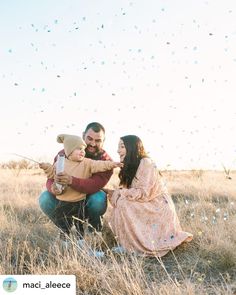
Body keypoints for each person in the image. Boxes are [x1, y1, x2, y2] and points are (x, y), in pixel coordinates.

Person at [106, 135, 193, 257]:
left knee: (123, 203)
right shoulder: (130, 164)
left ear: (132, 147)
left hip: (158, 205)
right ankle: (127, 243)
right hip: (147, 201)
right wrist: (115, 193)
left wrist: (119, 193)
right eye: (118, 147)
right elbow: (130, 191)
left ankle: (133, 246)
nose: (117, 151)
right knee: (121, 202)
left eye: (122, 146)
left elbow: (144, 193)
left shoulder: (146, 162)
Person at [39, 122, 114, 241]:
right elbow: (51, 178)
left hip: (88, 200)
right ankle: (65, 228)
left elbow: (94, 185)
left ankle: (93, 229)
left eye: (98, 140)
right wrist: (52, 187)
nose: (93, 143)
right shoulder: (64, 153)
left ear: (104, 140)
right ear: (83, 135)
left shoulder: (105, 161)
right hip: (65, 199)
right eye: (89, 138)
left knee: (99, 198)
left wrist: (71, 180)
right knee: (44, 198)